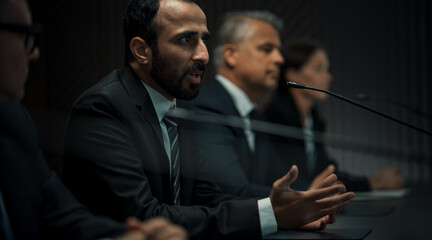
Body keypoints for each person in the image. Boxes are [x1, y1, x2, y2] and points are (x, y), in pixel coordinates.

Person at [62, 0, 355, 239]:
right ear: (142, 50)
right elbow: (145, 216)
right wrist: (270, 215)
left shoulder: (179, 107)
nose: (203, 55)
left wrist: (284, 214)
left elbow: (206, 196)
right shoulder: (103, 107)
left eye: (204, 40)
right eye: (186, 40)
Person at [0, 0, 188, 239]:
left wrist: (131, 236)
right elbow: (141, 209)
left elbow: (63, 217)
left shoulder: (13, 120)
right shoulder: (102, 105)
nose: (35, 52)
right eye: (27, 37)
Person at [192, 11, 336, 197]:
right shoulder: (208, 109)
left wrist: (310, 192)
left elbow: (277, 178)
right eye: (267, 49)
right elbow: (233, 192)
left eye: (278, 51)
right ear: (231, 55)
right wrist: (306, 196)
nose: (279, 59)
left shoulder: (255, 115)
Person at [264, 39, 403, 191]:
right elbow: (296, 180)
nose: (328, 77)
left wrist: (372, 181)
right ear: (293, 75)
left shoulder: (313, 119)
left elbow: (326, 172)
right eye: (319, 69)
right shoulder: (276, 116)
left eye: (326, 69)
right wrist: (371, 184)